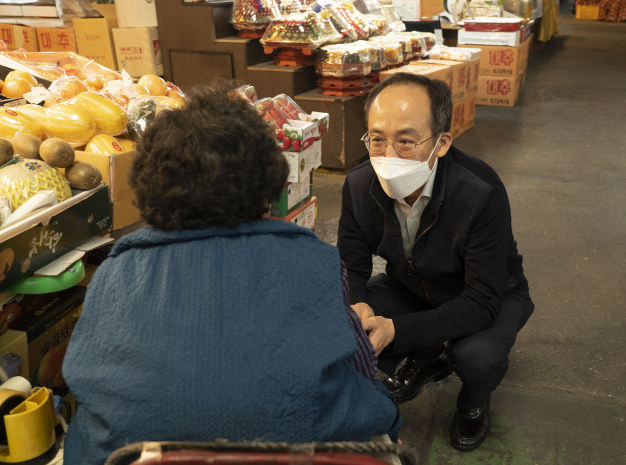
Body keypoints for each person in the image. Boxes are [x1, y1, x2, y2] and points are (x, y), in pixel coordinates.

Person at [62, 84, 402, 465]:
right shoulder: (313, 260)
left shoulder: (115, 272)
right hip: (293, 449)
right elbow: (357, 366)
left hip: (134, 455)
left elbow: (86, 376)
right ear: (268, 185)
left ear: (151, 186)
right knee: (381, 403)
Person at [337, 73, 534, 452]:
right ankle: (427, 354)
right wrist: (357, 303)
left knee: (477, 357)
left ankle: (474, 402)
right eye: (377, 139)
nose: (388, 155)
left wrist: (396, 330)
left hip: (486, 294)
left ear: (441, 143)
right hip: (412, 285)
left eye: (406, 141)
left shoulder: (480, 191)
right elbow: (351, 262)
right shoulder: (360, 185)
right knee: (345, 322)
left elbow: (482, 299)